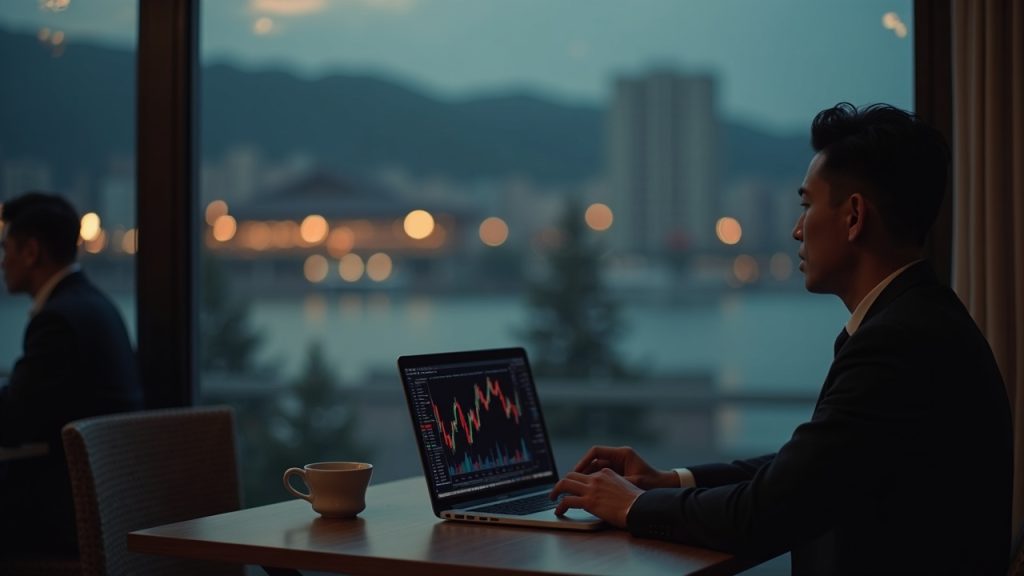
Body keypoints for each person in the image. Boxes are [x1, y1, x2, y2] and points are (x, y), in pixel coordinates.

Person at [550, 103, 1012, 575]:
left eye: (807, 206)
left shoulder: (899, 343)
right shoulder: (921, 319)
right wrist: (669, 481)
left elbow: (766, 510)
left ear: (854, 216)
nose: (796, 230)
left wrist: (632, 506)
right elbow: (809, 472)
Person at [0, 192, 142, 557]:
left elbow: (13, 419)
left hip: (66, 517)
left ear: (31, 252)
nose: (2, 262)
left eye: (6, 248)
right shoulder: (94, 305)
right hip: (112, 501)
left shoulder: (58, 321)